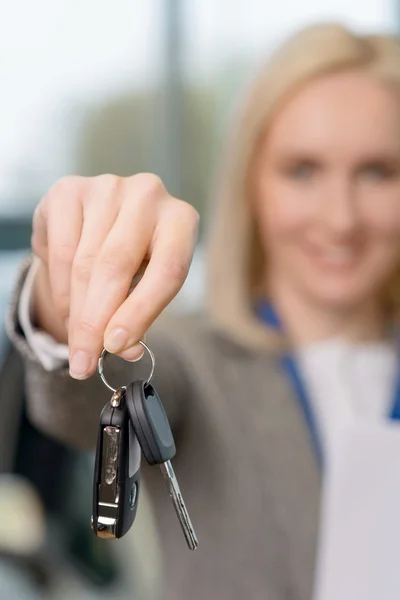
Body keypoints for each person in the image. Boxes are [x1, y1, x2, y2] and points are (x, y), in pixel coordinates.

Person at [6, 21, 400, 600]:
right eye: (302, 171)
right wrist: (62, 292)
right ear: (252, 186)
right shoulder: (189, 357)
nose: (340, 218)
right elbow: (80, 399)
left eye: (378, 172)